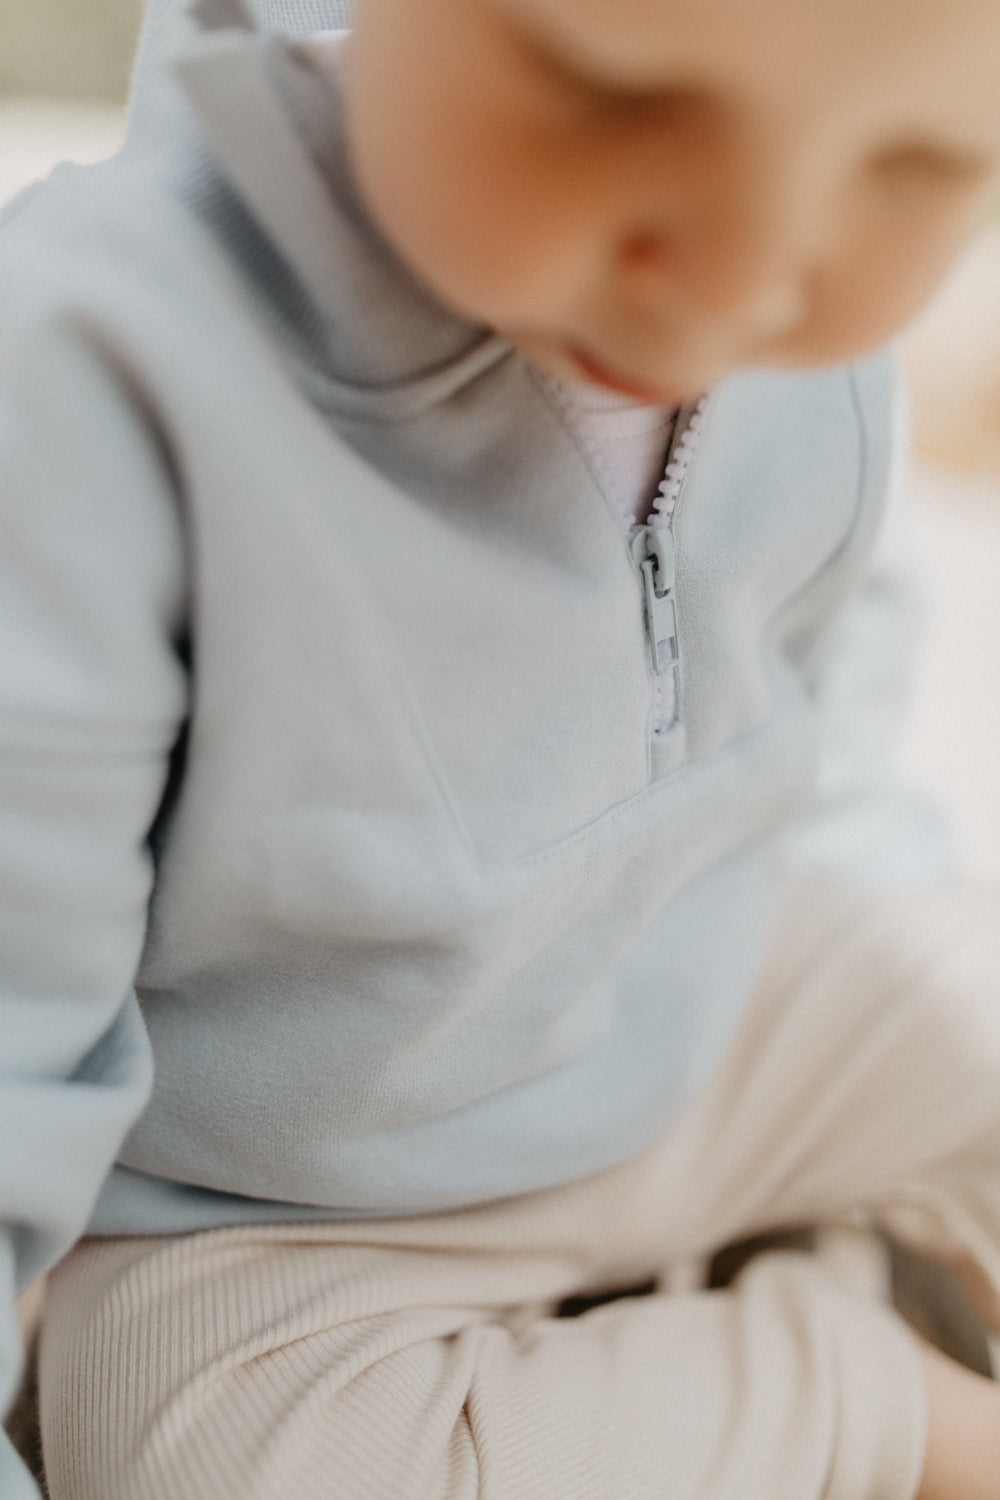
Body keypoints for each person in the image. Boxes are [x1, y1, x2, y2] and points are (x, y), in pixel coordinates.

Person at [3, 0, 1000, 1495]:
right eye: (609, 95)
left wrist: (910, 1001)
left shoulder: (807, 327)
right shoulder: (97, 380)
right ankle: (869, 1395)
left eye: (913, 166)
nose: (734, 283)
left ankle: (725, 1318)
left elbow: (814, 699)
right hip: (277, 1216)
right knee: (217, 1456)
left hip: (705, 1012)